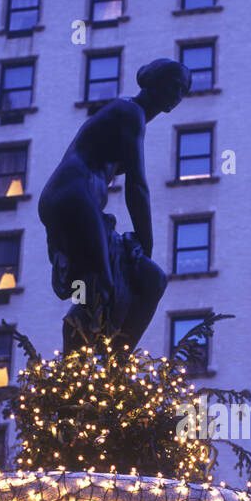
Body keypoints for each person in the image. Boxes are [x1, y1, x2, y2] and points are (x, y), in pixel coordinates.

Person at [38, 57, 192, 353]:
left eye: (182, 90)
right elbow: (137, 186)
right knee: (99, 284)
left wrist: (143, 254)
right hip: (72, 196)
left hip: (85, 203)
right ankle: (72, 364)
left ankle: (115, 366)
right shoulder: (129, 111)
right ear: (154, 81)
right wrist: (146, 245)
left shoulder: (132, 117)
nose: (177, 94)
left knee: (151, 279)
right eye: (173, 85)